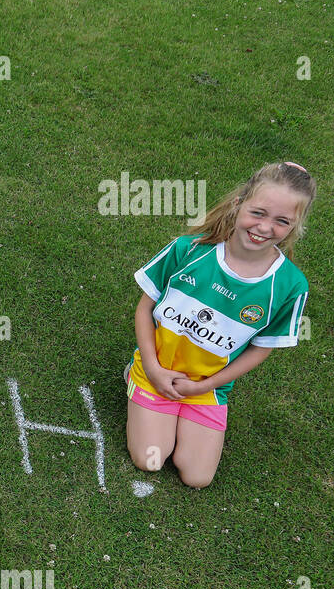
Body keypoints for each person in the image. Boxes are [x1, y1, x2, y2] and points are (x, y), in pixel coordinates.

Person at [126, 162, 313, 487]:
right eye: (259, 212)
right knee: (150, 458)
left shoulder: (291, 285)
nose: (265, 227)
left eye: (282, 221)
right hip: (157, 370)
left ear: (294, 226)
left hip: (206, 388)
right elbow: (144, 309)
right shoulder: (190, 250)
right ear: (239, 203)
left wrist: (204, 386)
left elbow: (261, 349)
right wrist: (153, 369)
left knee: (196, 476)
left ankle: (183, 409)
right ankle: (134, 374)